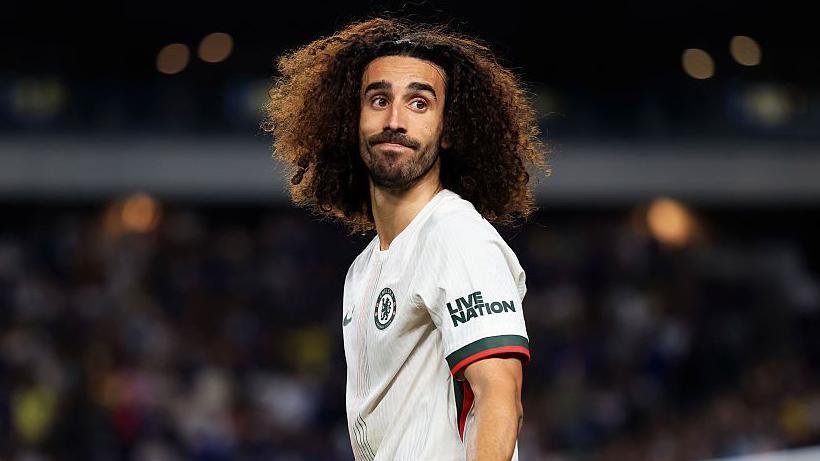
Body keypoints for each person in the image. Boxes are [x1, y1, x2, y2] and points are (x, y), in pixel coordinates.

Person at [265, 17, 548, 460]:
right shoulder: (364, 267)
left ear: (448, 129)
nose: (395, 120)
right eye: (379, 100)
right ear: (352, 120)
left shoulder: (456, 235)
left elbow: (498, 394)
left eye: (419, 103)